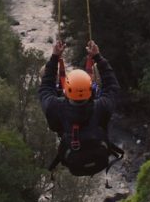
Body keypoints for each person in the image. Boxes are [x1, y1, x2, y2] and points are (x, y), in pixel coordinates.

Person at [39, 38, 123, 176]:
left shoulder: (55, 107)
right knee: (99, 77)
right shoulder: (102, 106)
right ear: (90, 90)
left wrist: (55, 57)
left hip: (72, 156)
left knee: (44, 74)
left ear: (66, 90)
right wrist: (98, 57)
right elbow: (112, 86)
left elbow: (46, 88)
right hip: (99, 152)